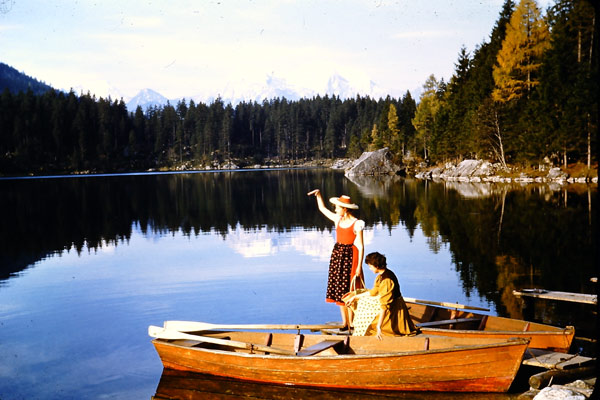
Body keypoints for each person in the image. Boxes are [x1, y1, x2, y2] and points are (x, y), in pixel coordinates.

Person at [307, 189, 365, 331]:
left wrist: (358, 267)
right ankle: (345, 323)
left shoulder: (357, 223)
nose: (335, 209)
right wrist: (319, 195)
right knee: (340, 290)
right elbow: (322, 209)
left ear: (344, 209)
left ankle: (352, 322)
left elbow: (361, 246)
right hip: (338, 256)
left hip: (351, 257)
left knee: (350, 290)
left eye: (337, 207)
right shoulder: (338, 219)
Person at [362, 251, 418, 339]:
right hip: (390, 306)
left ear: (376, 266)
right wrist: (355, 296)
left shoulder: (386, 280)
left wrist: (378, 326)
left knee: (371, 328)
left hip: (394, 309)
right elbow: (374, 292)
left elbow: (384, 306)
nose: (369, 268)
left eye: (370, 266)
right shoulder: (381, 276)